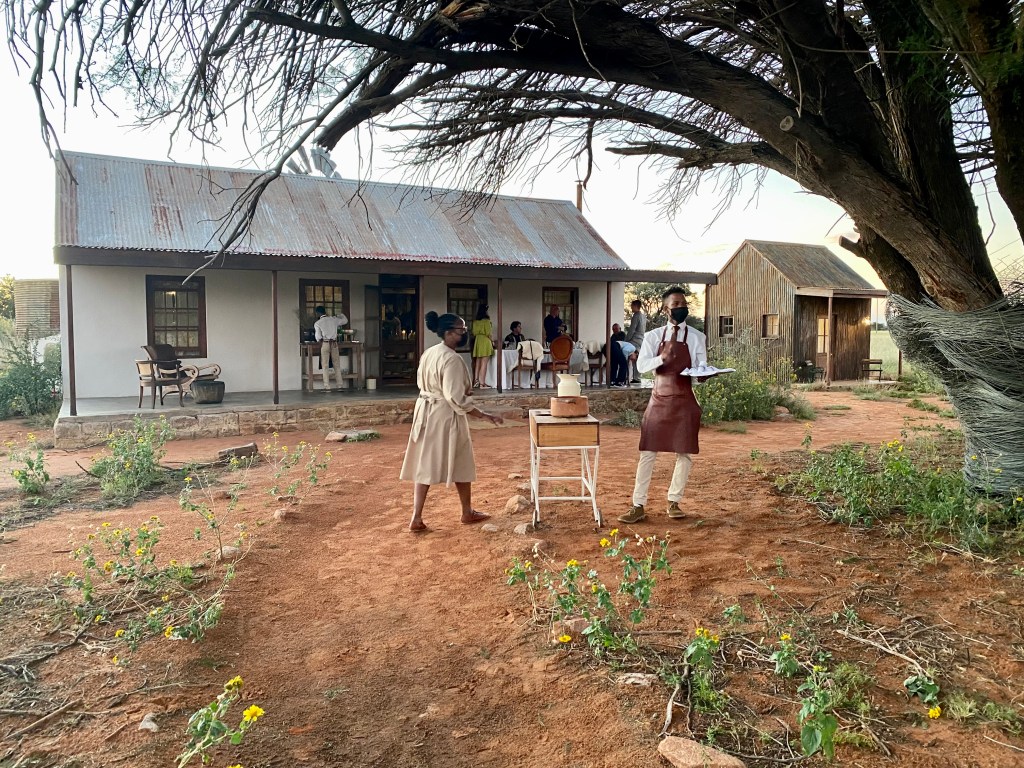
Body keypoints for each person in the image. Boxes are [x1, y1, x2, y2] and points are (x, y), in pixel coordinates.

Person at [400, 312, 504, 532]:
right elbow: (455, 397)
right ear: (448, 333)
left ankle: (420, 516)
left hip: (425, 411)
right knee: (460, 459)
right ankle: (463, 512)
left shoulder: (430, 352)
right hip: (444, 415)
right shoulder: (452, 359)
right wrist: (483, 415)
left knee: (427, 462)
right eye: (461, 330)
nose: (464, 333)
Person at [618, 286, 707, 523]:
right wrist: (662, 358)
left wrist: (703, 375)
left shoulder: (697, 337)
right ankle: (638, 505)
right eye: (676, 304)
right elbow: (641, 366)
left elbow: (700, 367)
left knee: (684, 453)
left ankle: (674, 501)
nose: (681, 307)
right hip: (659, 399)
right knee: (648, 452)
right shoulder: (653, 336)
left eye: (683, 304)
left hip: (685, 398)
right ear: (666, 309)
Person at [313, 305, 348, 390]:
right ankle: (340, 384)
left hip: (325, 343)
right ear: (325, 312)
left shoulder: (318, 323)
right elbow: (345, 321)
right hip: (334, 343)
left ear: (317, 313)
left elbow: (318, 337)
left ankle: (327, 386)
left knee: (325, 365)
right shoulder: (333, 319)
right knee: (337, 364)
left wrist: (320, 341)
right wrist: (339, 314)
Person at [470, 304, 495, 388]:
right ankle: (482, 383)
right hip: (485, 340)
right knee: (484, 363)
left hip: (478, 341)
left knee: (478, 362)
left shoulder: (475, 322)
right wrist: (492, 342)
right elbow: (488, 333)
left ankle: (476, 381)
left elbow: (474, 332)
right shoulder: (487, 321)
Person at [625, 300, 647, 383]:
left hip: (634, 340)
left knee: (628, 356)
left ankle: (626, 377)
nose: (631, 307)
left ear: (635, 306)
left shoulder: (636, 316)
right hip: (641, 340)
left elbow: (632, 330)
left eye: (632, 306)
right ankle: (636, 377)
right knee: (637, 358)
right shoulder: (643, 316)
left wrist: (626, 340)